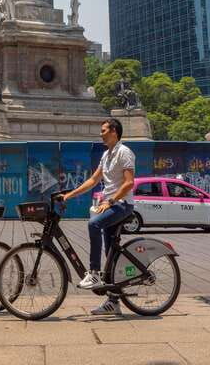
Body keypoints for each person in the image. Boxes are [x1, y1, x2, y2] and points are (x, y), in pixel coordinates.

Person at [60, 118, 135, 316]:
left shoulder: (124, 152)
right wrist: (69, 195)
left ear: (114, 132)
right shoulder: (106, 155)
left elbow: (129, 183)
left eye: (103, 130)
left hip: (122, 205)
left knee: (93, 224)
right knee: (111, 255)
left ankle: (93, 273)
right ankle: (113, 302)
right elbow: (93, 180)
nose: (100, 134)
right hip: (109, 205)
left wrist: (111, 201)